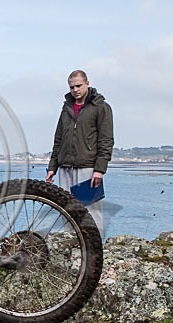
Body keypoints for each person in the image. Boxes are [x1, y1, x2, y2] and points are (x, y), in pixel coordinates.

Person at [45, 70, 114, 236]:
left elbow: (106, 140)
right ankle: (72, 248)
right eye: (72, 87)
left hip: (88, 168)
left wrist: (100, 169)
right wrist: (52, 167)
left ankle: (95, 251)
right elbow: (58, 139)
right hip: (65, 167)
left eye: (78, 86)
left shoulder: (101, 107)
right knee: (67, 210)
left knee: (91, 213)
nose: (75, 90)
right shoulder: (66, 109)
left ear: (87, 84)